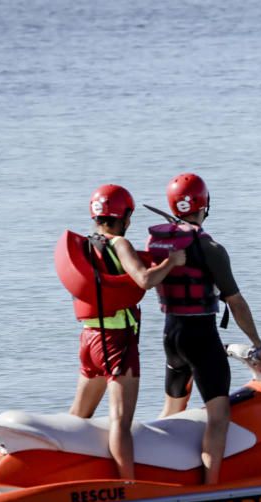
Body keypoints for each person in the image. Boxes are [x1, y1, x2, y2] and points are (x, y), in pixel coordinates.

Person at [152, 173, 261, 485]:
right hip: (200, 337)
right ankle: (211, 487)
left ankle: (158, 473)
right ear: (204, 205)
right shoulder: (211, 248)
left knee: (172, 409)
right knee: (219, 417)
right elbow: (235, 302)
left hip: (171, 336)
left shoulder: (157, 243)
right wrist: (257, 343)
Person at [67, 184, 185, 480]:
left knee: (78, 417)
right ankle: (128, 486)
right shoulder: (119, 244)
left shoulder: (85, 245)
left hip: (89, 338)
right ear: (126, 216)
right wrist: (173, 261)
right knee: (120, 421)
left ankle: (63, 471)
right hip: (116, 341)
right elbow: (144, 280)